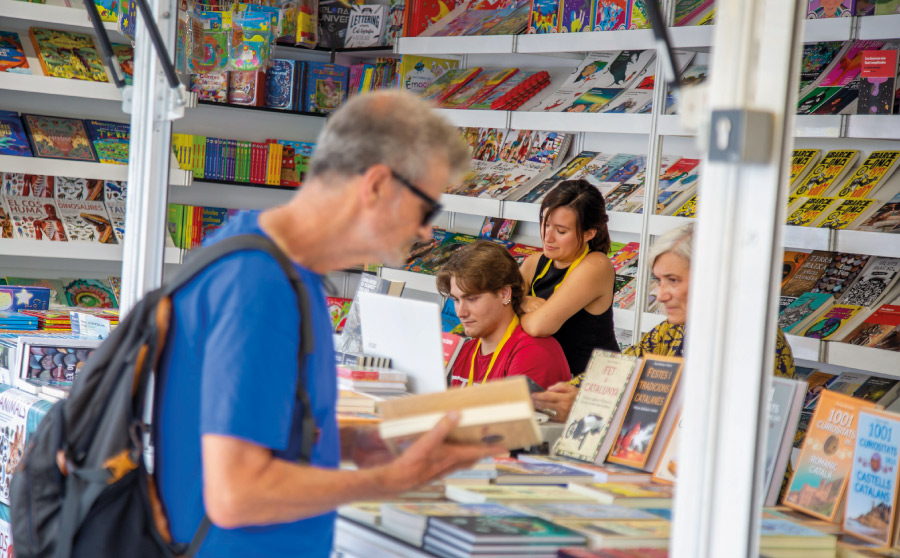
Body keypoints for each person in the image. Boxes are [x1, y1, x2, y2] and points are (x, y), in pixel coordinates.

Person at [156, 91, 504, 558]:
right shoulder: (261, 285)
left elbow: (264, 428)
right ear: (378, 185)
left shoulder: (272, 260)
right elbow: (235, 495)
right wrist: (387, 480)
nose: (426, 232)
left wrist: (359, 444)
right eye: (427, 210)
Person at [532, 223, 796, 422]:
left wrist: (590, 404)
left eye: (673, 280)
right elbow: (617, 371)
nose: (660, 294)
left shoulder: (751, 337)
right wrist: (558, 396)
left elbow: (703, 421)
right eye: (659, 280)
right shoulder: (671, 330)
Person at [436, 241, 571, 389]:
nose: (461, 313)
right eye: (456, 300)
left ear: (504, 294)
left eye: (472, 299)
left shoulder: (533, 352)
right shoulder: (463, 350)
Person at [519, 179, 619, 379]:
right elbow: (498, 309)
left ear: (589, 233)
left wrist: (516, 305)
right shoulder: (534, 262)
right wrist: (523, 300)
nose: (548, 237)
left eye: (561, 231)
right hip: (554, 380)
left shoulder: (596, 266)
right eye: (545, 225)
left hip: (596, 383)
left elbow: (540, 326)